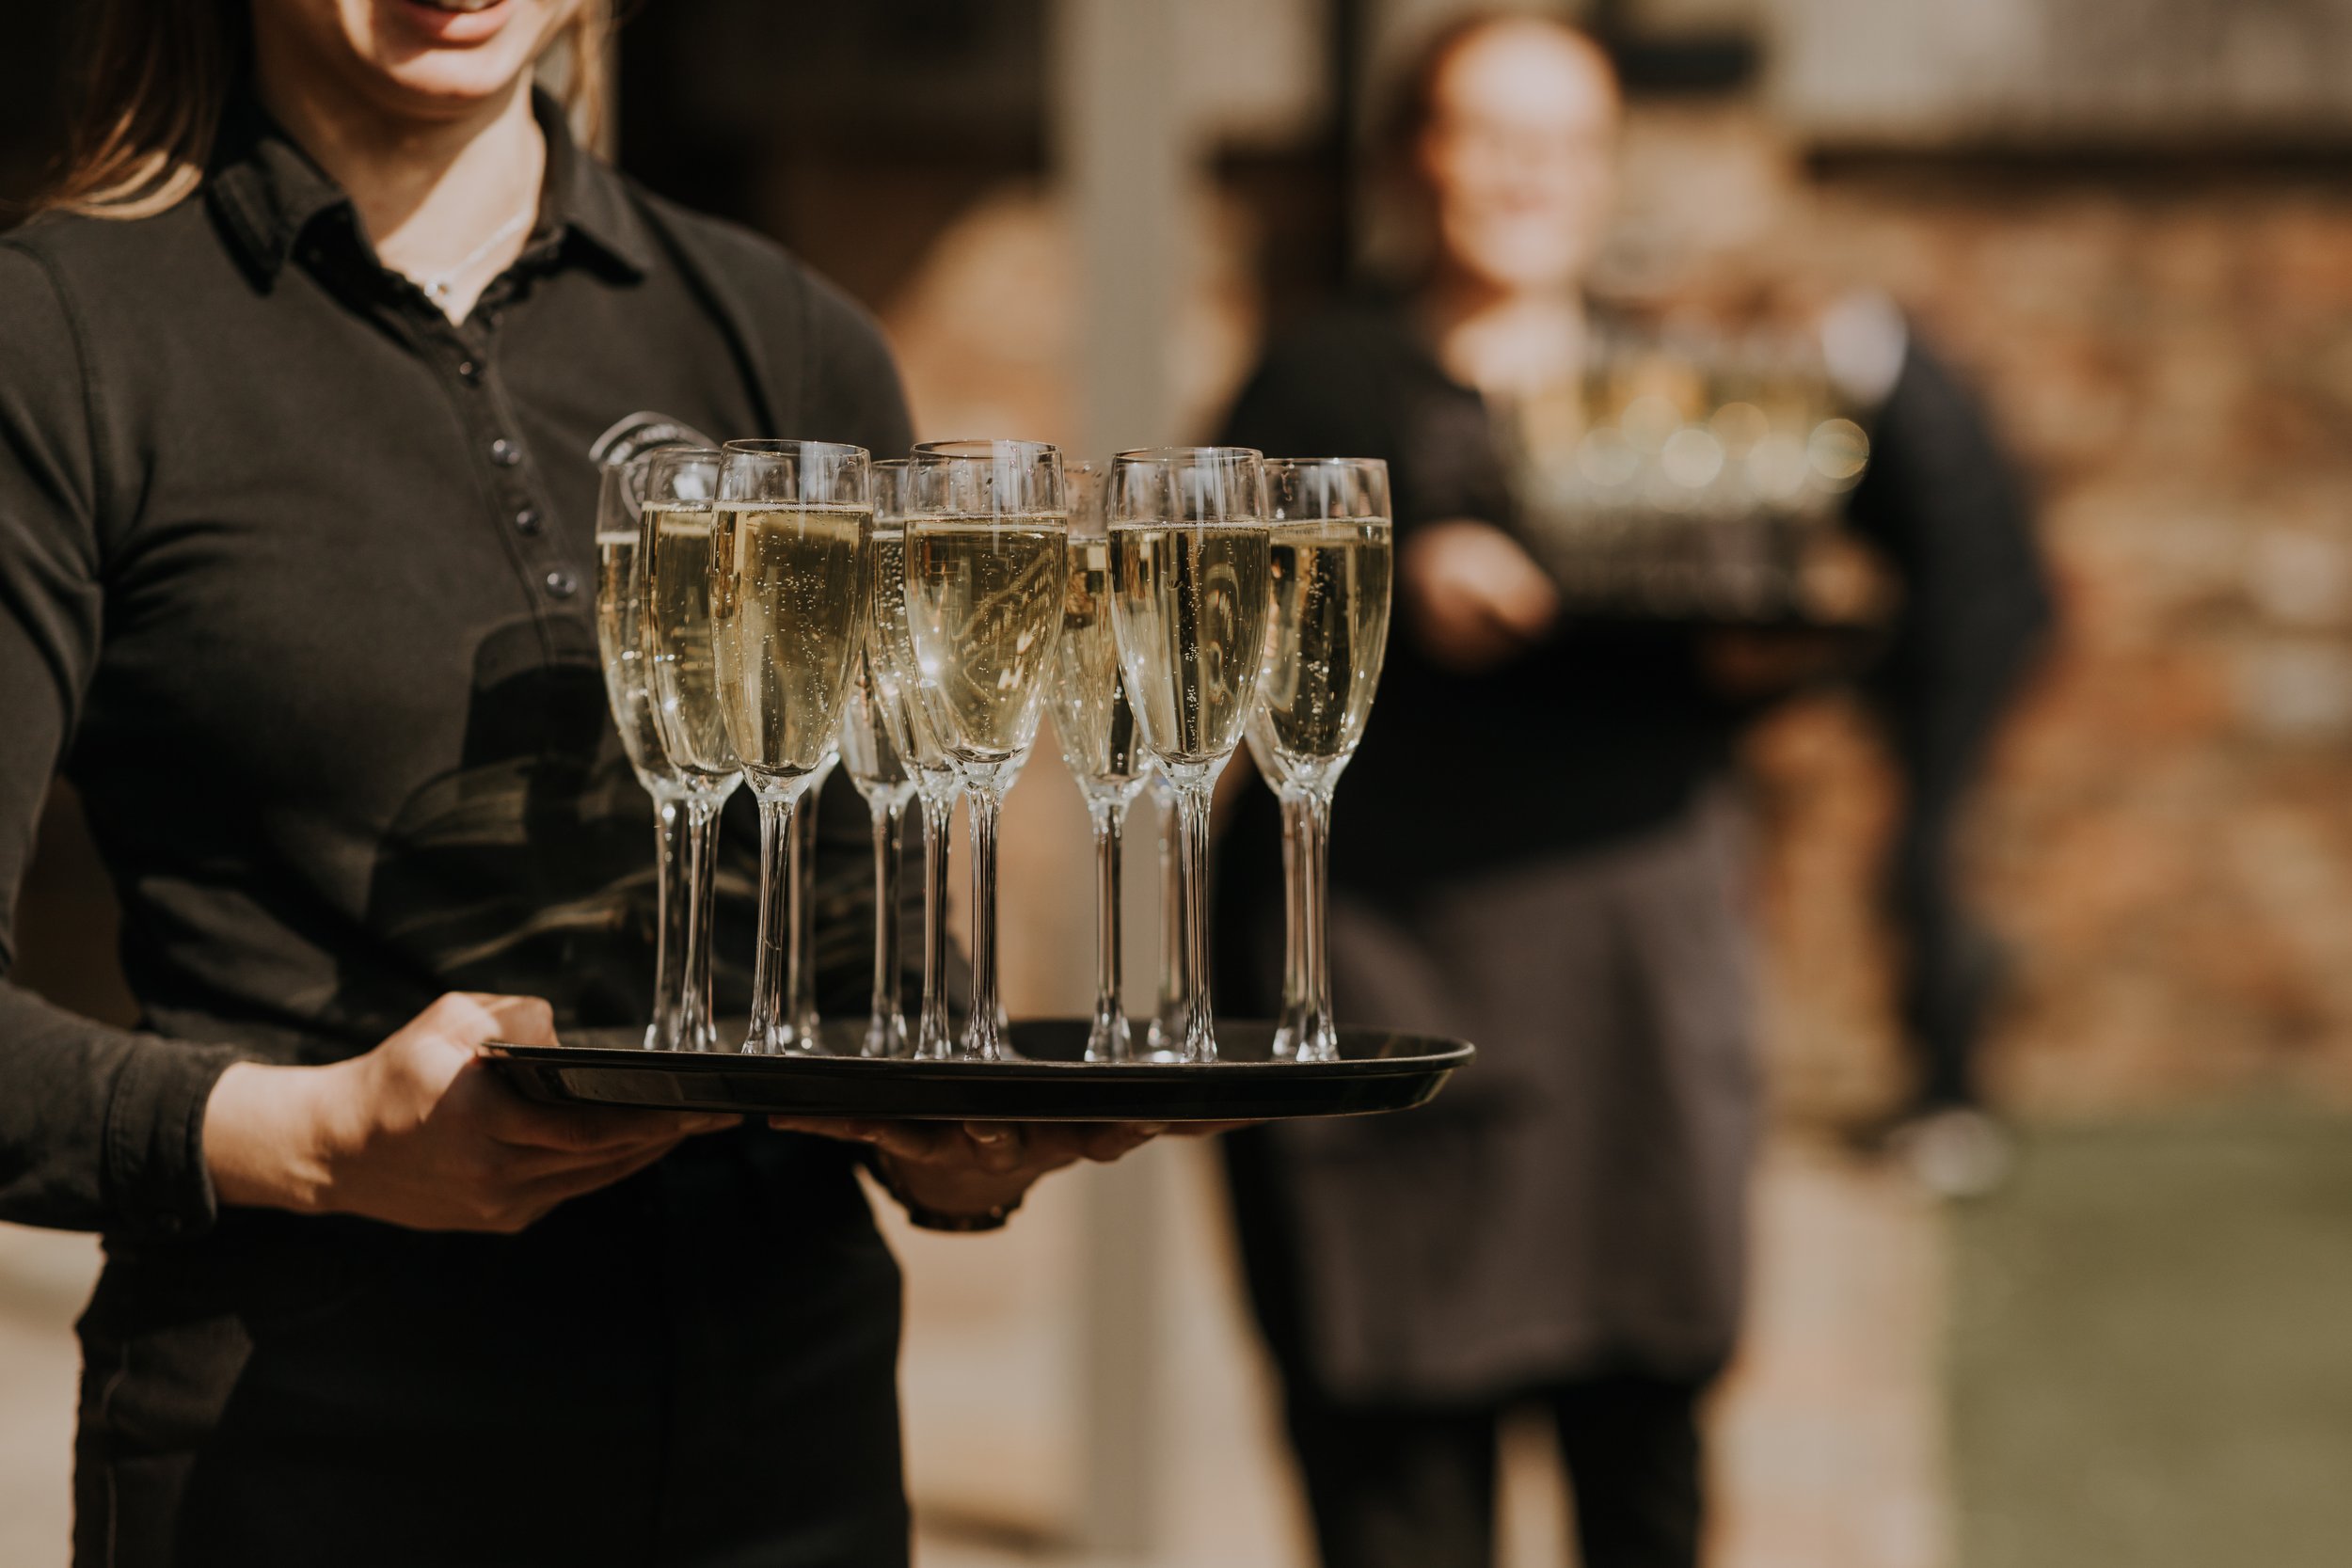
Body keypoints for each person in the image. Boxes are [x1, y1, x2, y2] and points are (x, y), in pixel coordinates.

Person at [0, 4, 1153, 1564]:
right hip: (302, 1464)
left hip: (789, 1463)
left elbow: (865, 950)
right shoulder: (65, 336)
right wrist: (318, 1137)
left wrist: (958, 1147)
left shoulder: (785, 334)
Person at [1213, 13, 2046, 1568]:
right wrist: (1391, 583)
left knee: (1643, 1452)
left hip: (1630, 992)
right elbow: (1205, 641)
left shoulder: (1679, 386)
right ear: (1415, 160)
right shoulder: (1312, 386)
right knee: (1398, 1474)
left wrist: (1758, 644)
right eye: (1490, 134)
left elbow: (1810, 599)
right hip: (1391, 979)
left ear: (1604, 173)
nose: (1529, 174)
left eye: (1566, 142)